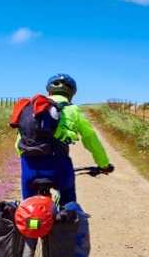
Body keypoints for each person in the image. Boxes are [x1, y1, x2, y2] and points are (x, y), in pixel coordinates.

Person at [18, 73, 114, 204]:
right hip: (60, 166)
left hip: (30, 167)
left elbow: (19, 143)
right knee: (69, 207)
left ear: (49, 92)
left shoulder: (32, 109)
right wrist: (103, 165)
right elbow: (91, 139)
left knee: (27, 210)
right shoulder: (73, 110)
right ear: (72, 95)